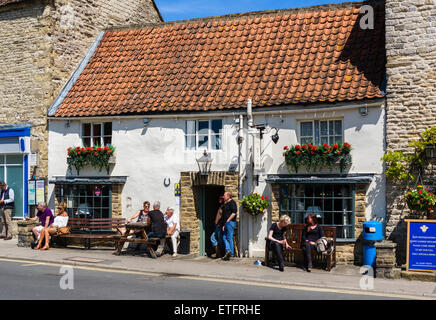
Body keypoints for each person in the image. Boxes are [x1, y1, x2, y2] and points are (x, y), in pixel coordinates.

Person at [221, 192, 237, 261]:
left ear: (228, 196)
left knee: (229, 237)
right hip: (226, 223)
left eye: (224, 195)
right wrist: (224, 224)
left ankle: (231, 254)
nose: (223, 197)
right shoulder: (226, 204)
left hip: (230, 222)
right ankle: (228, 250)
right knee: (224, 237)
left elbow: (234, 213)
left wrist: (228, 221)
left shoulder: (232, 203)